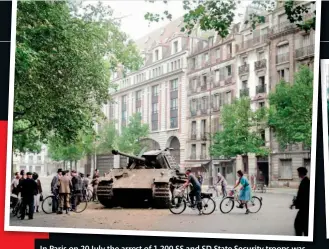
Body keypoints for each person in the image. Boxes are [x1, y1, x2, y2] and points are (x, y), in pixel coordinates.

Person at [293, 167, 310, 236]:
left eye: (298, 172)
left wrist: (296, 202)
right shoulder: (305, 180)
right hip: (304, 208)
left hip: (304, 208)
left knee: (298, 225)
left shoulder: (306, 182)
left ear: (301, 173)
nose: (297, 174)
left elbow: (303, 196)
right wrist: (295, 202)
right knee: (303, 226)